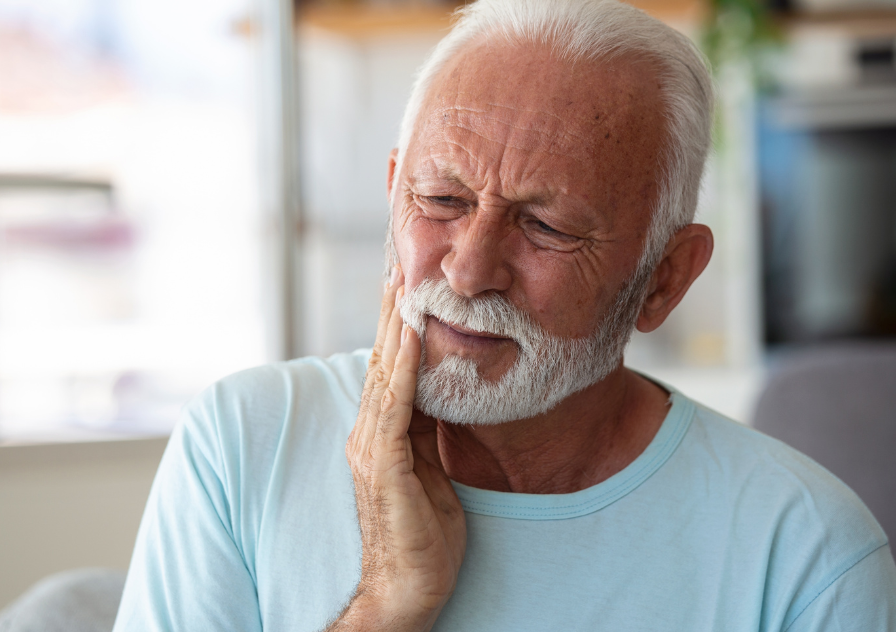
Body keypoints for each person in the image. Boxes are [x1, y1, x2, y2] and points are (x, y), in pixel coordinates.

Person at [113, 1, 896, 630]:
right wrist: (385, 608)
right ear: (393, 195)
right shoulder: (244, 444)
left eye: (546, 227)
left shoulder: (805, 553)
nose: (468, 268)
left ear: (663, 279)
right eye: (442, 200)